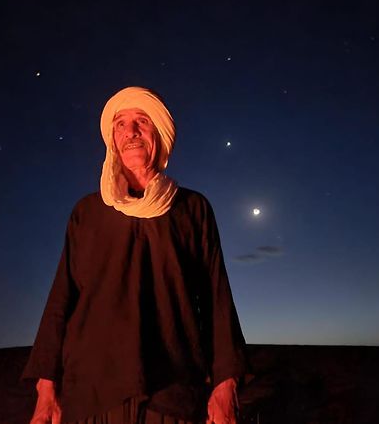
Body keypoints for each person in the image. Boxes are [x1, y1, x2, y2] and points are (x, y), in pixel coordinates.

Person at [21, 87, 249, 424]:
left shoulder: (191, 209)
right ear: (112, 139)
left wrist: (225, 384)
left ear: (159, 133)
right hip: (92, 396)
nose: (131, 132)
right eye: (121, 124)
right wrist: (46, 389)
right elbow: (61, 299)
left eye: (142, 121)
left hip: (172, 395)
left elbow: (217, 300)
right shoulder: (87, 213)